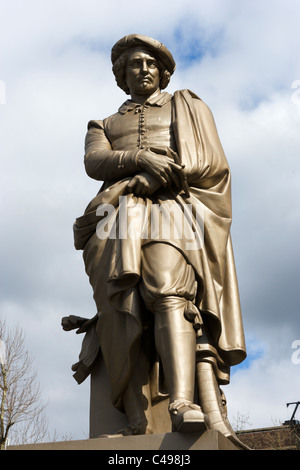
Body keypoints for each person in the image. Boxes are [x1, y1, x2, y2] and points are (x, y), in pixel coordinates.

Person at [71, 34, 247, 438]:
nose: (143, 69)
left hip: (171, 208)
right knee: (121, 304)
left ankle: (182, 402)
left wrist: (161, 176)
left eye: (151, 63)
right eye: (134, 64)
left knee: (169, 290)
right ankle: (135, 413)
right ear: (122, 74)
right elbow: (95, 162)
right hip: (113, 218)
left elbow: (213, 164)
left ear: (163, 72)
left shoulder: (186, 105)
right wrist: (140, 160)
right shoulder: (103, 124)